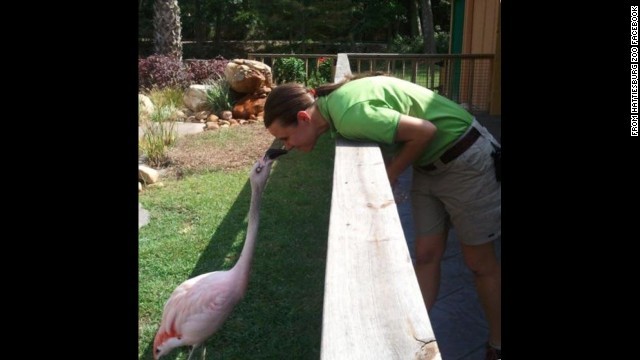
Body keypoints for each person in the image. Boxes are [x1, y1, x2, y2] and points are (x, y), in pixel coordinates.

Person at [263, 74, 501, 360]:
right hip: (429, 164)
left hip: (465, 159)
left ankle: (497, 344)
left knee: (479, 263)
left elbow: (424, 130)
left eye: (285, 137)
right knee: (426, 255)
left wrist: (390, 173)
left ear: (303, 117)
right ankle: (411, 342)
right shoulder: (335, 109)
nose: (287, 146)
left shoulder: (348, 114)